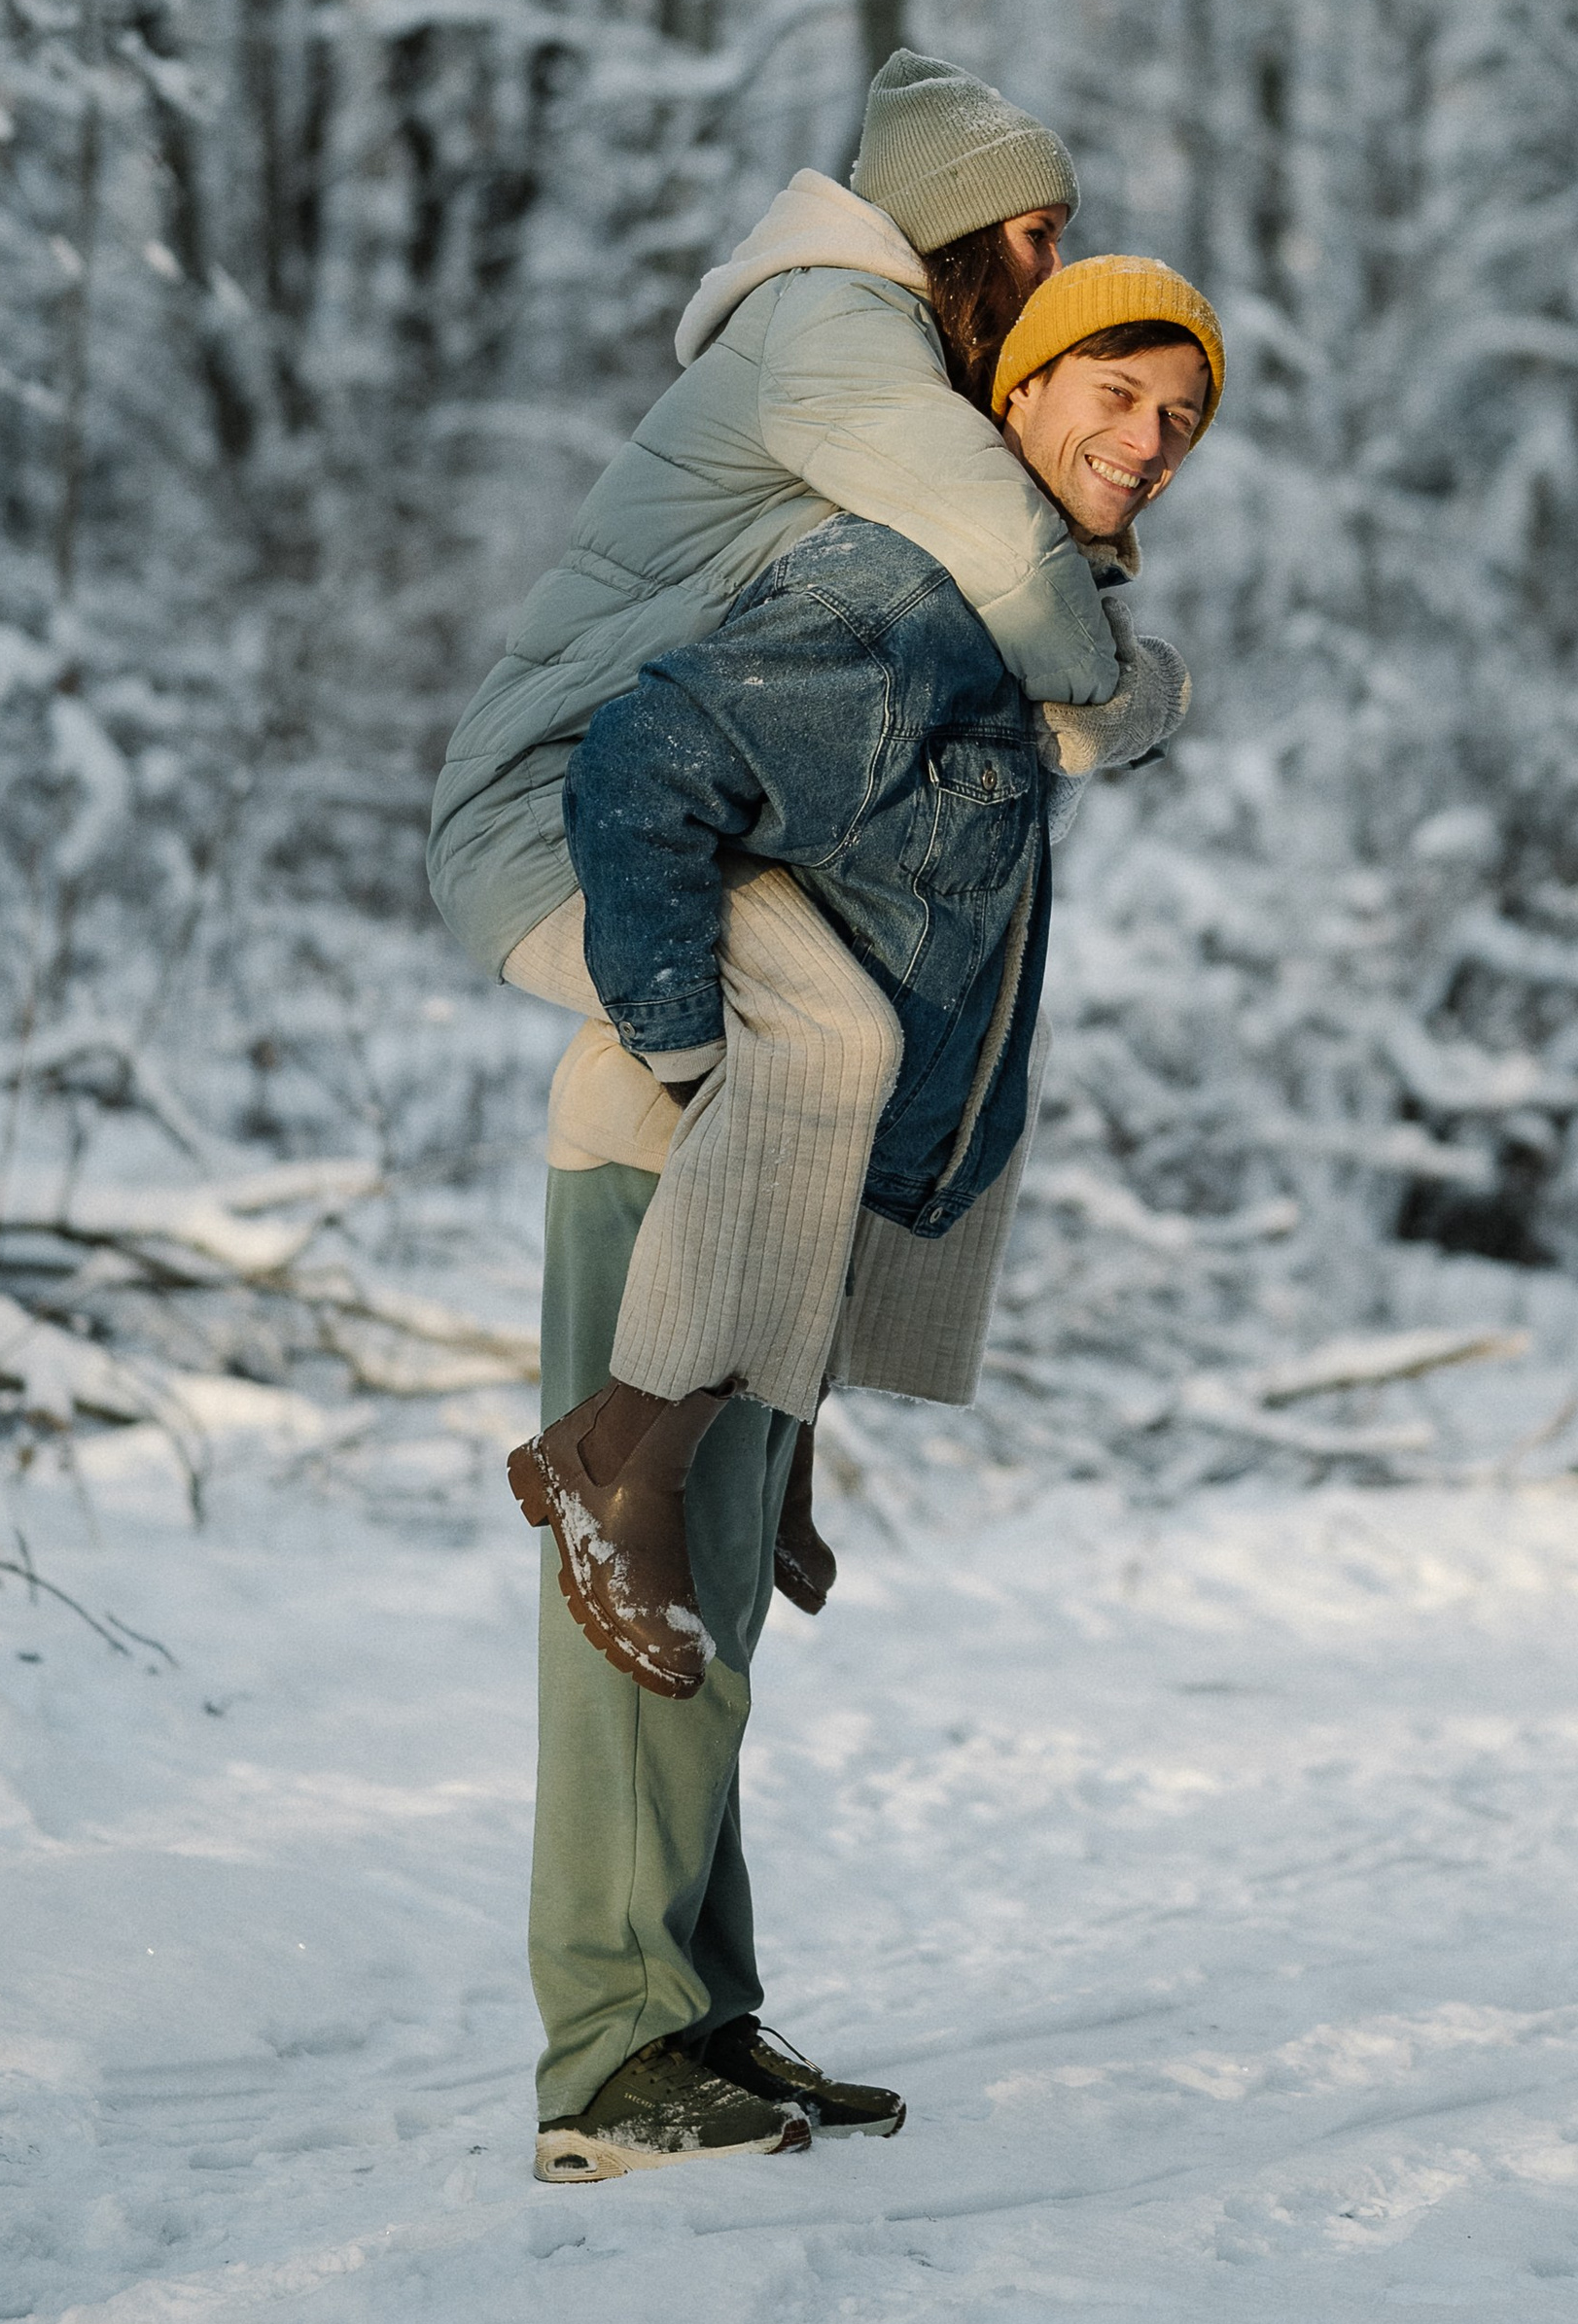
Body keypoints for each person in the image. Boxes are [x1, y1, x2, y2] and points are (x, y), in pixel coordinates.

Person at [507, 258, 1224, 2184]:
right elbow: (654, 762)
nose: (1145, 440)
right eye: (1113, 391)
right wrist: (674, 1034)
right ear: (1013, 386)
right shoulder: (905, 585)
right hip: (689, 1146)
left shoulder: (994, 627)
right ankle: (608, 2058)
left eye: (1182, 415)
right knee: (635, 1608)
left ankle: (695, 2020)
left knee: (703, 1602)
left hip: (774, 1178)